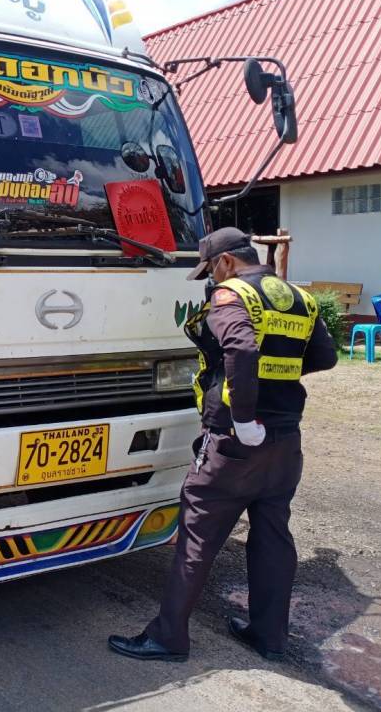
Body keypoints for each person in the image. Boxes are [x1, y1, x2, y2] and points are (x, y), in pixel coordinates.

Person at [108, 227, 338, 663]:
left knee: (197, 537)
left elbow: (242, 351)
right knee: (273, 538)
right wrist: (276, 381)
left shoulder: (232, 295)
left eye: (210, 269)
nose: (211, 279)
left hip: (234, 441)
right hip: (285, 441)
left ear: (227, 261)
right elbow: (325, 357)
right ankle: (269, 636)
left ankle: (168, 638)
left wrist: (245, 417)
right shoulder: (299, 298)